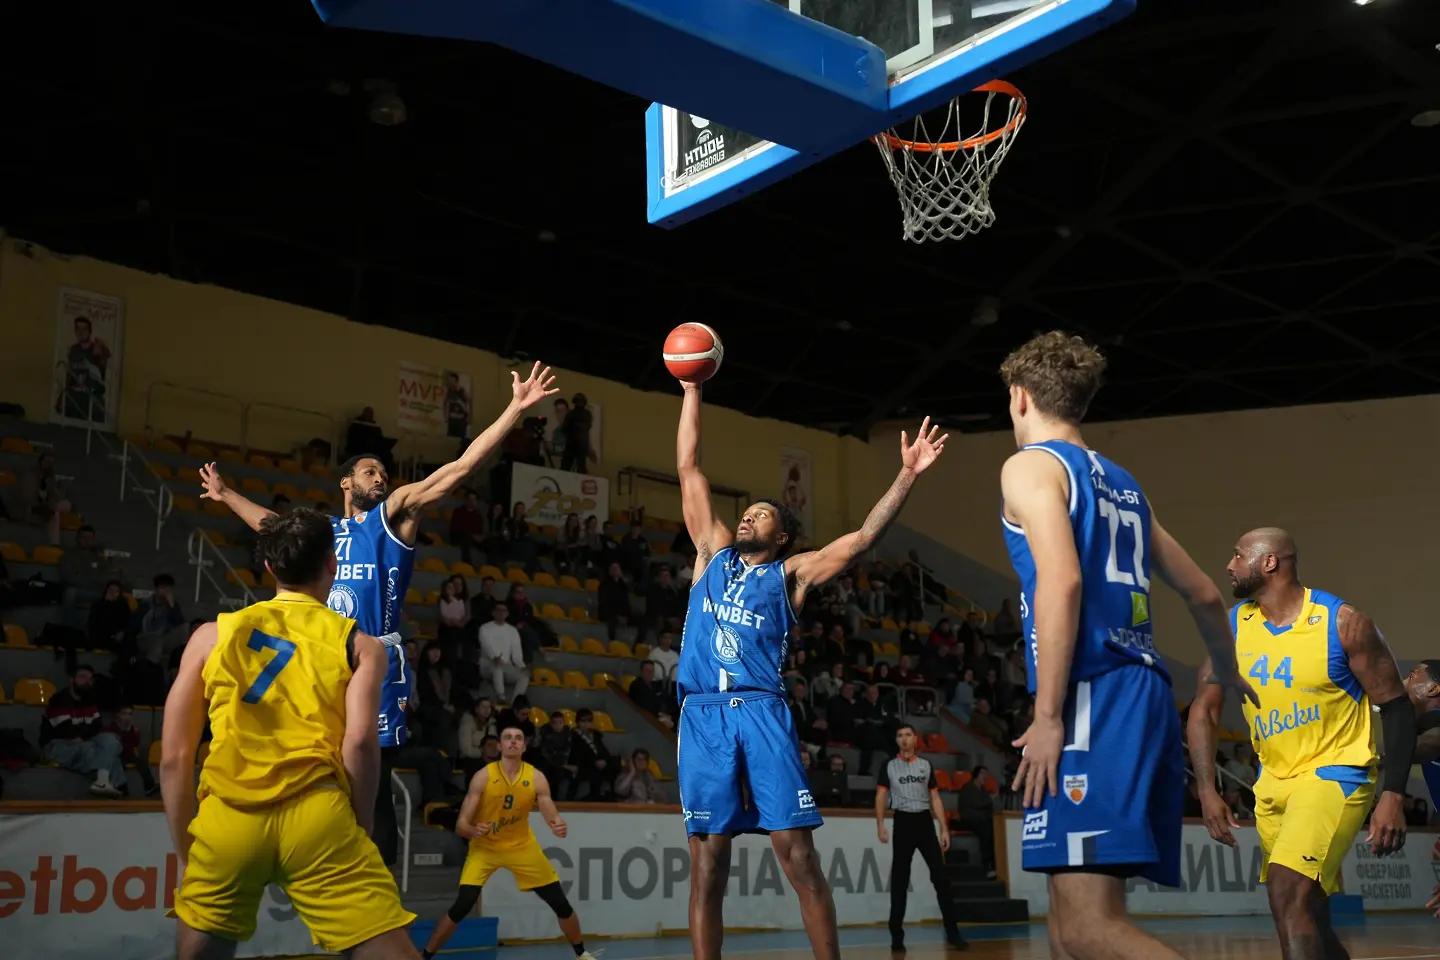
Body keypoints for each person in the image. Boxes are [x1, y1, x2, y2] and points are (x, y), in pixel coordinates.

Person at [199, 361, 557, 862]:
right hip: (322, 659)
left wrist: (514, 409)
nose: (381, 477)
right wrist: (226, 494)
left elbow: (458, 470)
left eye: (383, 473)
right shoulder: (321, 531)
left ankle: (378, 882)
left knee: (372, 780)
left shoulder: (394, 517)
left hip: (373, 662)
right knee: (323, 771)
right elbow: (274, 526)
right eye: (371, 471)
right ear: (347, 482)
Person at [997, 332, 1257, 960]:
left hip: (1093, 694)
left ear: (1020, 397)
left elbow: (1063, 580)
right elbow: (1204, 595)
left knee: (1088, 927)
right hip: (1138, 691)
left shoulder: (1030, 466)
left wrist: (1050, 715)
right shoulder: (1124, 485)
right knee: (1065, 929)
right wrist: (1225, 673)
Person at [674, 374, 948, 960]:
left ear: (783, 535)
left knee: (797, 855)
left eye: (762, 514)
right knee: (707, 865)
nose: (748, 518)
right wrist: (693, 388)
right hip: (702, 718)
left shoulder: (791, 575)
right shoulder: (709, 553)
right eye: (745, 513)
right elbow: (689, 467)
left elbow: (863, 538)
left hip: (762, 713)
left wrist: (907, 474)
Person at [159, 508, 418, 959]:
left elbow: (175, 757)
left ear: (269, 567)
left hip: (228, 817)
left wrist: (188, 850)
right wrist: (360, 822)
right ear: (332, 566)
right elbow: (359, 742)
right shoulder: (361, 644)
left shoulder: (209, 636)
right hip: (317, 814)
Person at [1188, 528, 1416, 960]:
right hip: (1274, 783)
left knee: (1285, 892)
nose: (1229, 565)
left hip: (1336, 775)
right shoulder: (1234, 627)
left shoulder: (1344, 622)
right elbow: (1205, 709)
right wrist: (1205, 788)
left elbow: (1397, 707)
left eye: (1238, 555)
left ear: (1269, 562)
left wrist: (1393, 794)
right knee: (1309, 912)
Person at [420, 726, 598, 960]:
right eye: (507, 738)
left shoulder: (535, 776)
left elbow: (547, 806)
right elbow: (461, 824)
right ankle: (423, 957)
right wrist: (473, 830)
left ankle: (581, 953)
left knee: (560, 903)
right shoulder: (483, 776)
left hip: (521, 846)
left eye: (518, 738)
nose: (513, 742)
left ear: (524, 746)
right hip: (485, 848)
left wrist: (556, 822)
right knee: (463, 904)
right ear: (500, 746)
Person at [875, 724, 966, 952]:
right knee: (899, 881)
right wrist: (880, 823)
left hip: (924, 822)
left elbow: (935, 798)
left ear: (915, 739)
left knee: (941, 879)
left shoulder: (926, 765)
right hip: (903, 821)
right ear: (896, 740)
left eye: (908, 735)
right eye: (900, 735)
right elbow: (881, 795)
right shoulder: (889, 765)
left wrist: (943, 828)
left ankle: (953, 932)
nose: (904, 739)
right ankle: (897, 936)